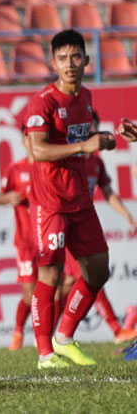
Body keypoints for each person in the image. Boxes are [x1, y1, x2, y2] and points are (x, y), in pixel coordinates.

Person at [24, 29, 117, 370]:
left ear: (86, 60)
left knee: (98, 270)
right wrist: (83, 146)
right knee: (49, 274)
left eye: (75, 57)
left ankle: (64, 337)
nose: (70, 64)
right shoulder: (42, 103)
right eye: (62, 58)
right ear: (53, 63)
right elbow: (36, 149)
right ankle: (45, 354)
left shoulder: (86, 97)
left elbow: (86, 139)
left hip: (81, 201)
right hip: (51, 204)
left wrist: (105, 139)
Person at [58, 112, 137, 344]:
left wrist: (127, 215)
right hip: (69, 225)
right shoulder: (69, 160)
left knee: (71, 283)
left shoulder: (96, 163)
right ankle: (116, 330)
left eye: (93, 127)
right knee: (89, 275)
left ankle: (48, 331)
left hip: (86, 223)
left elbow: (108, 193)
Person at [0, 127, 36, 351]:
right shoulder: (16, 168)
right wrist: (9, 196)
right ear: (23, 140)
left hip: (49, 238)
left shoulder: (47, 166)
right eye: (29, 136)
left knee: (55, 290)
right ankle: (19, 332)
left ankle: (47, 336)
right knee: (30, 296)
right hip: (26, 242)